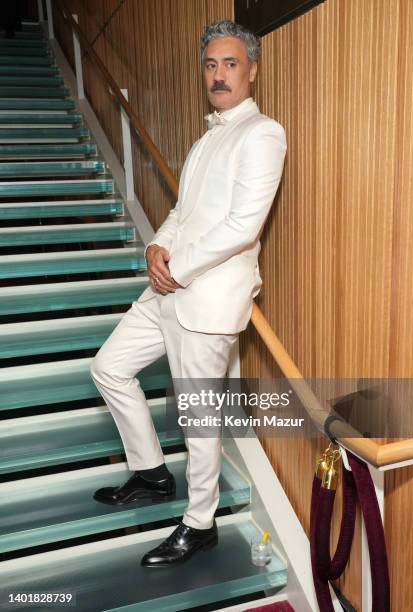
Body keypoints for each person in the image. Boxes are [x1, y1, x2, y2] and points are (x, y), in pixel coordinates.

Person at [90, 19, 287, 567]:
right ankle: (152, 472)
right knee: (108, 367)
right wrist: (158, 248)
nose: (219, 75)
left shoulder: (263, 133)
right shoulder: (206, 138)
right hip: (168, 291)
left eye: (230, 64)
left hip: (208, 301)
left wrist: (177, 268)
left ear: (252, 70)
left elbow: (243, 225)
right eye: (210, 65)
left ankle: (200, 524)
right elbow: (183, 212)